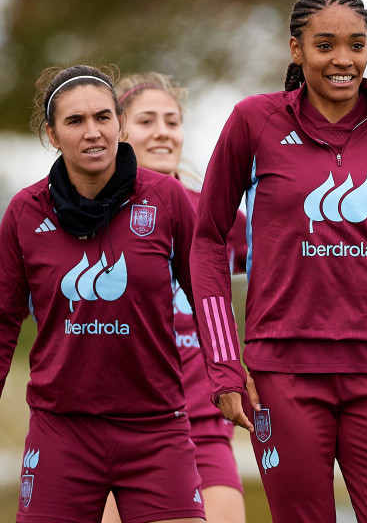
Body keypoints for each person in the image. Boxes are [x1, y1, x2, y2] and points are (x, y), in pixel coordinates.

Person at [189, 0, 367, 523]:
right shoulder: (254, 121)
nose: (343, 59)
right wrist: (224, 364)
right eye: (325, 45)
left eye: (356, 45)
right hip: (280, 374)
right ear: (296, 50)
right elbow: (207, 240)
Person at [0, 65, 205, 523]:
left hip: (156, 430)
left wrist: (230, 375)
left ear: (120, 124)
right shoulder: (24, 212)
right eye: (75, 121)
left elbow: (207, 298)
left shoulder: (167, 200)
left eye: (103, 117)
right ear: (52, 134)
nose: (93, 132)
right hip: (60, 434)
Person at [99, 73, 248, 523]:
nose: (163, 131)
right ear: (118, 134)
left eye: (172, 121)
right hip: (113, 427)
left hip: (204, 426)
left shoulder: (214, 214)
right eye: (147, 121)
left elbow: (288, 260)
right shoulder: (88, 212)